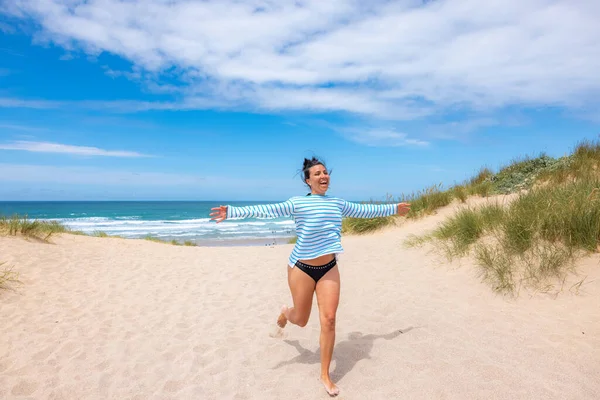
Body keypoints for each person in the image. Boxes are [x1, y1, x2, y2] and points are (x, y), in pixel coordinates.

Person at [210, 157, 411, 397]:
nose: (323, 176)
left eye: (325, 172)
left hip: (328, 268)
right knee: (301, 319)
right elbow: (266, 210)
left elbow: (365, 210)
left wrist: (394, 209)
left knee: (329, 320)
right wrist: (231, 212)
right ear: (308, 181)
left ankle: (325, 374)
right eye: (317, 174)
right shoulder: (297, 203)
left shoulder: (338, 203)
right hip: (301, 268)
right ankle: (286, 313)